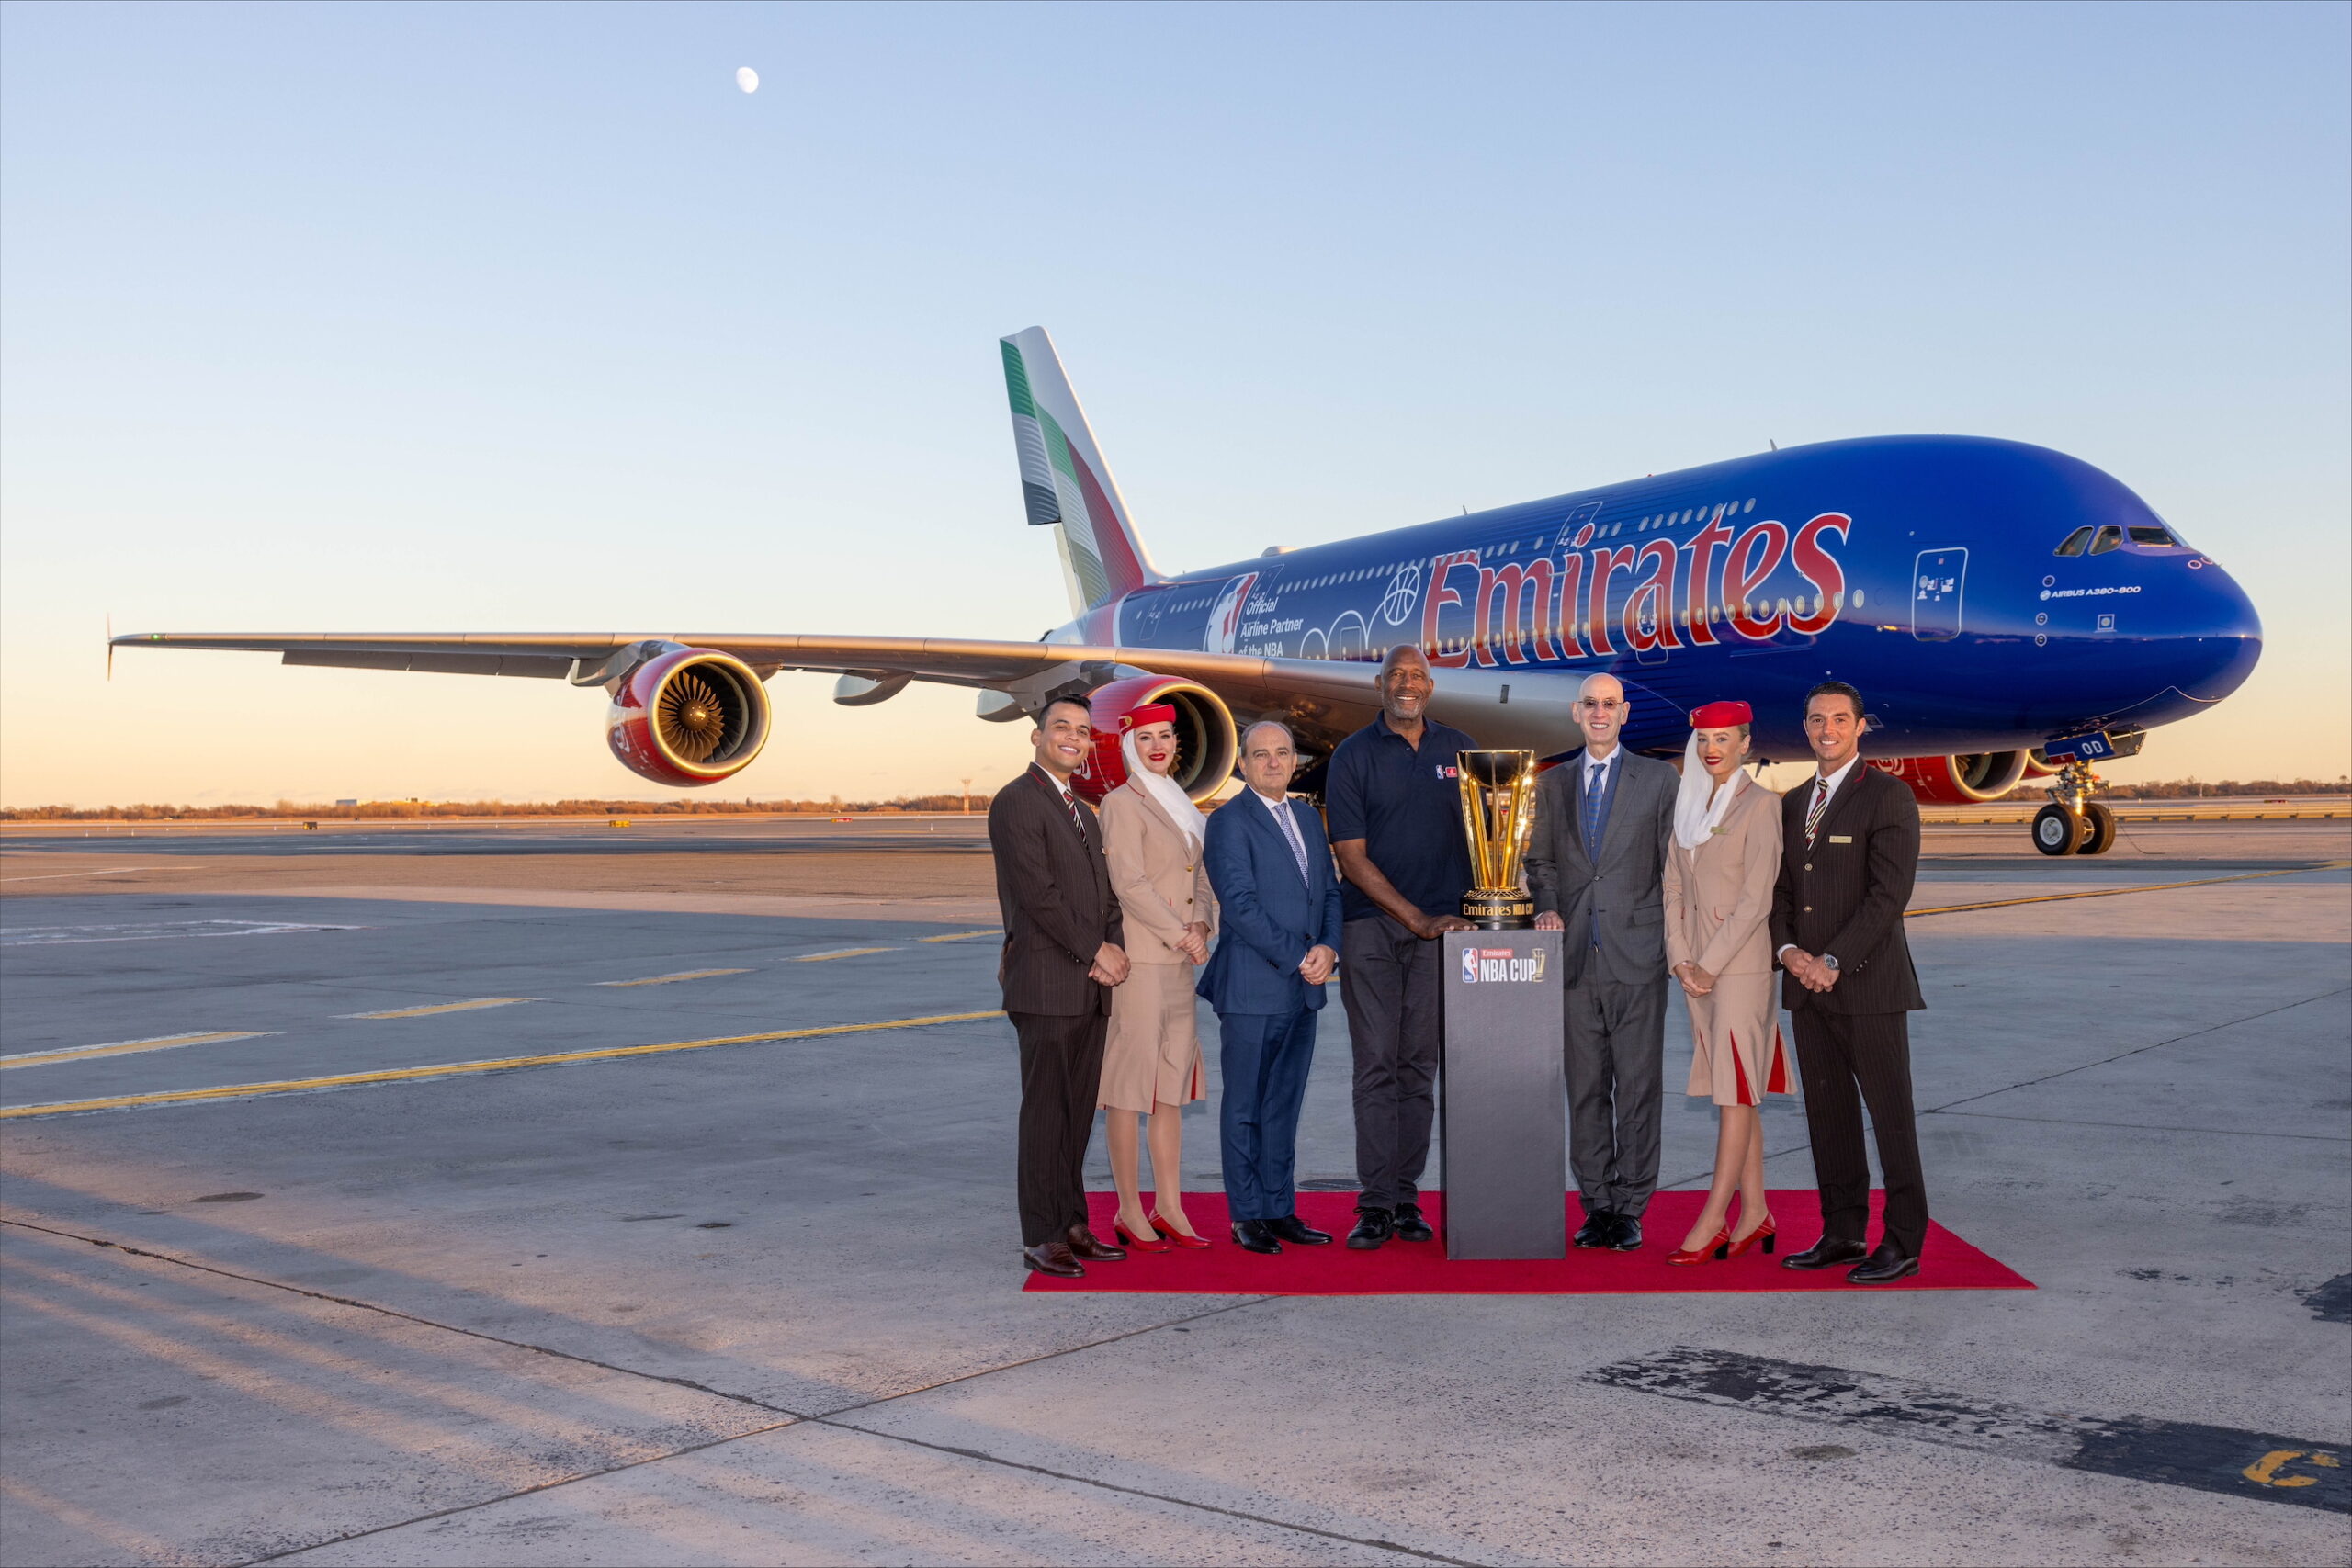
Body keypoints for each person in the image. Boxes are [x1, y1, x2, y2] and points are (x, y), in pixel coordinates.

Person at [1770, 680, 1930, 1286]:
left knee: (1891, 1118)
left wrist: (1832, 960)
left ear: (1861, 726)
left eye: (1840, 718)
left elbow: (1887, 896)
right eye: (1816, 719)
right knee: (1829, 1116)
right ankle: (1841, 1229)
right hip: (1807, 988)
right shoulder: (1789, 803)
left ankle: (1904, 1238)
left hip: (1868, 987)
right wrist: (1789, 952)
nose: (1827, 729)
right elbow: (1780, 891)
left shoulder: (1888, 796)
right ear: (1806, 727)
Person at [1325, 646, 1476, 1250]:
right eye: (1396, 675)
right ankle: (1375, 1203)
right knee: (1376, 1065)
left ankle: (1406, 1198)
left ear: (1430, 686)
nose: (1406, 684)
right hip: (1372, 930)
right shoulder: (1352, 755)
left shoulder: (1460, 749)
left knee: (1418, 1067)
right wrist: (1415, 917)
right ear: (1380, 683)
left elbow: (1492, 831)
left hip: (1442, 932)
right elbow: (1351, 856)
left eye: (1416, 675)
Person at [1526, 671, 1676, 1251]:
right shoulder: (1552, 783)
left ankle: (1631, 1205)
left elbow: (1673, 868)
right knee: (1585, 1089)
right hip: (1572, 959)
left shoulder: (1659, 779)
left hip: (1638, 955)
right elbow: (1541, 864)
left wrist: (1676, 943)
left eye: (1609, 704)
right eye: (1590, 703)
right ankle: (1596, 1203)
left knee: (1637, 1086)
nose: (1599, 712)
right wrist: (1545, 907)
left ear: (1625, 713)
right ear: (1575, 711)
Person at [988, 695, 1131, 1279]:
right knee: (1046, 1113)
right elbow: (1038, 895)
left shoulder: (1084, 810)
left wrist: (1112, 946)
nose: (1072, 737)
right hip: (1046, 984)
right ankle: (1042, 1235)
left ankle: (1073, 1222)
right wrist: (1095, 949)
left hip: (1089, 985)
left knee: (1075, 1116)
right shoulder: (1017, 802)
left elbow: (1104, 895)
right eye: (1060, 728)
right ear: (1037, 736)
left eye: (1081, 730)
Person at [1197, 720, 1343, 1255]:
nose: (1275, 763)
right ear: (1243, 764)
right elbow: (1239, 905)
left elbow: (1329, 891)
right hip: (1254, 989)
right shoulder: (1228, 822)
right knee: (1245, 1106)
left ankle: (1281, 1209)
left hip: (1303, 988)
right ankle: (1246, 1215)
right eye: (1262, 755)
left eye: (1283, 753)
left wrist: (1330, 947)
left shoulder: (1306, 817)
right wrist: (1300, 955)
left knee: (1284, 1105)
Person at [1659, 700, 1791, 1265]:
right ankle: (1756, 1213)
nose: (1712, 748)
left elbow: (1757, 899)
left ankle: (1714, 1218)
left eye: (1723, 739)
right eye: (1704, 739)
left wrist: (1709, 963)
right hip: (1694, 971)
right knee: (1738, 1093)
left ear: (1744, 744)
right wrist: (1681, 959)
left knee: (1734, 1092)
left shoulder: (1762, 806)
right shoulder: (1688, 803)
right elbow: (1671, 887)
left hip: (1737, 968)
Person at [1095, 703, 1217, 1251]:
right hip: (1143, 962)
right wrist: (1178, 932)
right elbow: (1129, 883)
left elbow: (1204, 877)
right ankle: (1127, 1209)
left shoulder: (1185, 805)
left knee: (1169, 1091)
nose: (1158, 746)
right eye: (1146, 739)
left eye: (1166, 736)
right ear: (1131, 747)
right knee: (1129, 1091)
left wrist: (1202, 924)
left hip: (1179, 965)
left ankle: (1169, 1205)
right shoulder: (1122, 804)